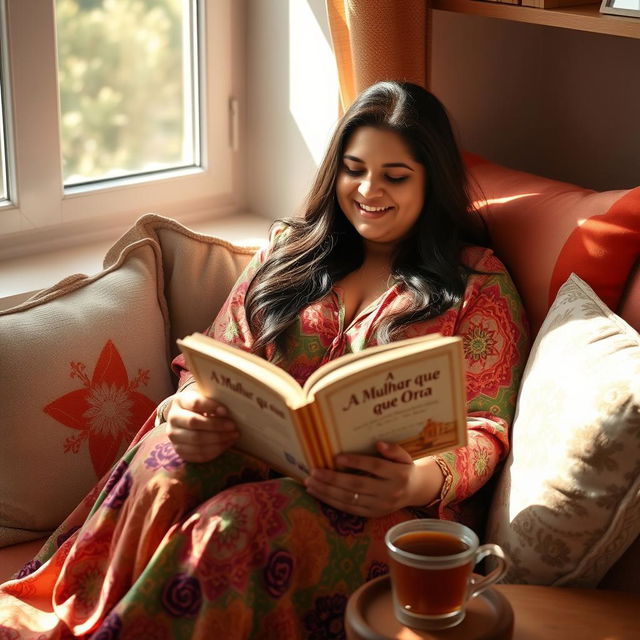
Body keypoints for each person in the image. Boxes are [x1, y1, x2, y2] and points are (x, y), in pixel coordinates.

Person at [0, 81, 528, 639]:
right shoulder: (288, 253)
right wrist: (188, 409)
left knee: (234, 527)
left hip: (384, 511)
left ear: (432, 182)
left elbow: (486, 428)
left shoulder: (478, 286)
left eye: (395, 176)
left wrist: (416, 481)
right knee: (167, 459)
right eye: (354, 169)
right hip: (255, 457)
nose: (369, 190)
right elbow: (211, 362)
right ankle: (83, 621)